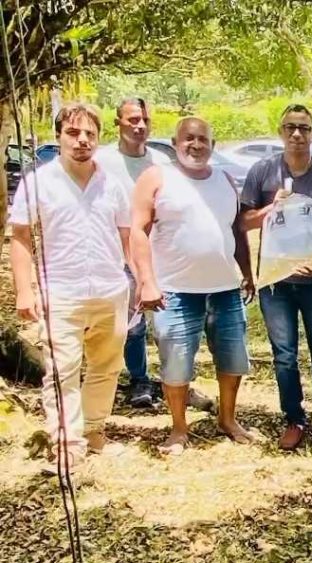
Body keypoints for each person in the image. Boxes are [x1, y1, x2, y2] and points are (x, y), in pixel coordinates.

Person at [10, 102, 131, 475]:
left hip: (111, 290)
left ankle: (94, 432)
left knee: (106, 366)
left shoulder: (113, 182)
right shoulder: (38, 182)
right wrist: (25, 291)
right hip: (61, 291)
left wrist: (141, 278)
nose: (82, 141)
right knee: (61, 371)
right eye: (73, 133)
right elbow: (19, 237)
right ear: (59, 136)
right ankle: (66, 445)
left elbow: (128, 235)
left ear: (99, 137)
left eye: (89, 134)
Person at [132, 116, 258, 455]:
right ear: (175, 142)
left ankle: (228, 419)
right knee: (176, 363)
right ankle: (178, 429)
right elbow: (137, 232)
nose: (196, 145)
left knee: (232, 361)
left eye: (203, 139)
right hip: (174, 291)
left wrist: (246, 271)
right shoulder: (157, 177)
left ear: (213, 146)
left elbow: (236, 230)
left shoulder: (225, 180)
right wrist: (146, 281)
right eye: (188, 138)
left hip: (224, 289)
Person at [241, 104, 312, 451]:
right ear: (280, 132)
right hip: (276, 284)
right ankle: (294, 418)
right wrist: (270, 209)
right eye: (290, 127)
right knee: (285, 355)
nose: (297, 134)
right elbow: (244, 222)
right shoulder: (262, 172)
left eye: (304, 128)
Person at [94, 97, 170, 410]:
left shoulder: (160, 162)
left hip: (160, 252)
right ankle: (139, 379)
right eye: (132, 120)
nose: (139, 126)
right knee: (133, 322)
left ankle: (174, 380)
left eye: (144, 120)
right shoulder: (101, 161)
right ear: (118, 123)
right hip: (119, 254)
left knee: (169, 320)